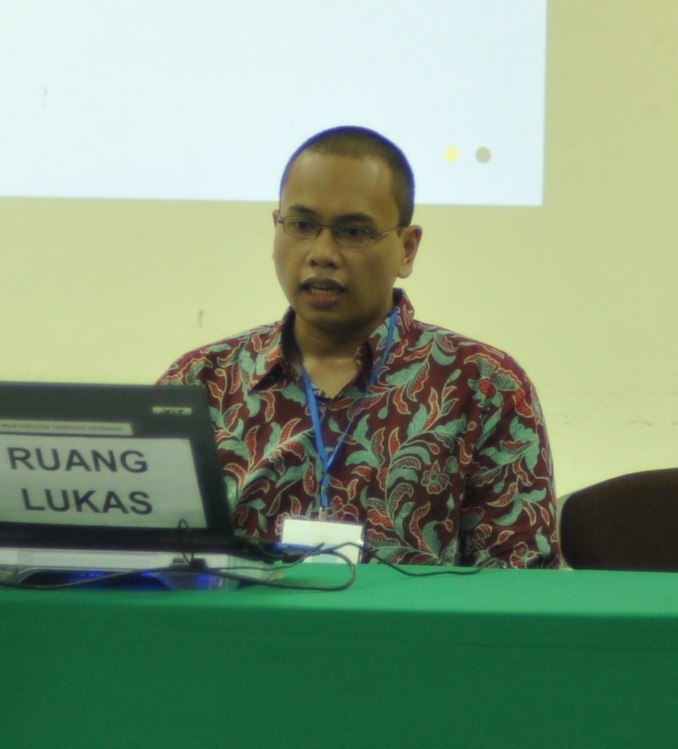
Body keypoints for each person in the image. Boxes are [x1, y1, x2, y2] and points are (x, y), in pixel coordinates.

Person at [158, 126, 557, 567]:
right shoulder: (201, 383)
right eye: (302, 226)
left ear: (406, 249)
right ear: (276, 230)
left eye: (352, 232)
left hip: (411, 616)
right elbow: (145, 557)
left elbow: (521, 580)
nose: (322, 253)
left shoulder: (484, 386)